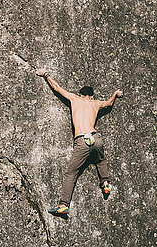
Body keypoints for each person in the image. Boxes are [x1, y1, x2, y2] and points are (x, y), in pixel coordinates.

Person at [35, 68, 122, 217]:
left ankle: (63, 205)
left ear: (81, 94)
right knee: (100, 160)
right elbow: (109, 103)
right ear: (91, 96)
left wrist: (45, 74)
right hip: (96, 138)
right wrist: (115, 94)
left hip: (82, 140)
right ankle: (105, 182)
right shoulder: (95, 103)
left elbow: (56, 88)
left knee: (71, 173)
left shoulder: (75, 99)